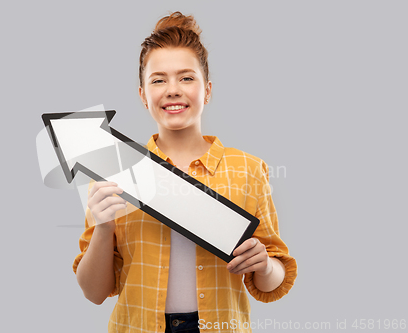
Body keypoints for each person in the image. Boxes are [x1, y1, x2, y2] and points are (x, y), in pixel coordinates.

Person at [73, 11, 297, 333]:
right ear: (142, 95)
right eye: (158, 79)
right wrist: (104, 228)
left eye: (186, 78)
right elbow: (93, 292)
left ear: (207, 90)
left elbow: (273, 283)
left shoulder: (248, 170)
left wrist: (263, 264)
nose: (173, 89)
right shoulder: (115, 169)